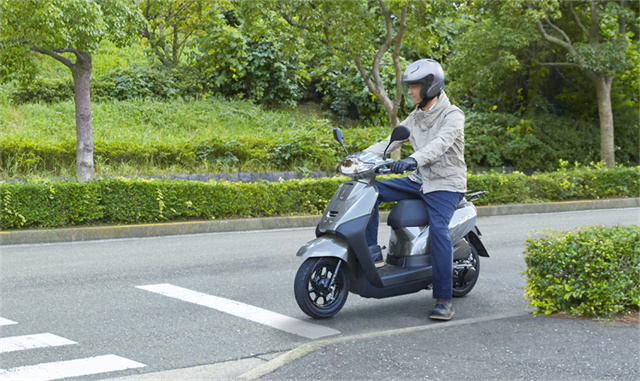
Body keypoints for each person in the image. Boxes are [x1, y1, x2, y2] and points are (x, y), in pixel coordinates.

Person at [363, 58, 467, 321]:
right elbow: (390, 141)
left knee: (439, 231)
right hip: (420, 180)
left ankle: (444, 299)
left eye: (414, 86)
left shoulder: (453, 115)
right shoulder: (416, 115)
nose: (409, 92)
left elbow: (441, 144)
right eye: (408, 86)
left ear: (430, 86)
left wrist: (413, 160)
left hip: (446, 183)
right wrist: (360, 157)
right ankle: (372, 253)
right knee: (369, 191)